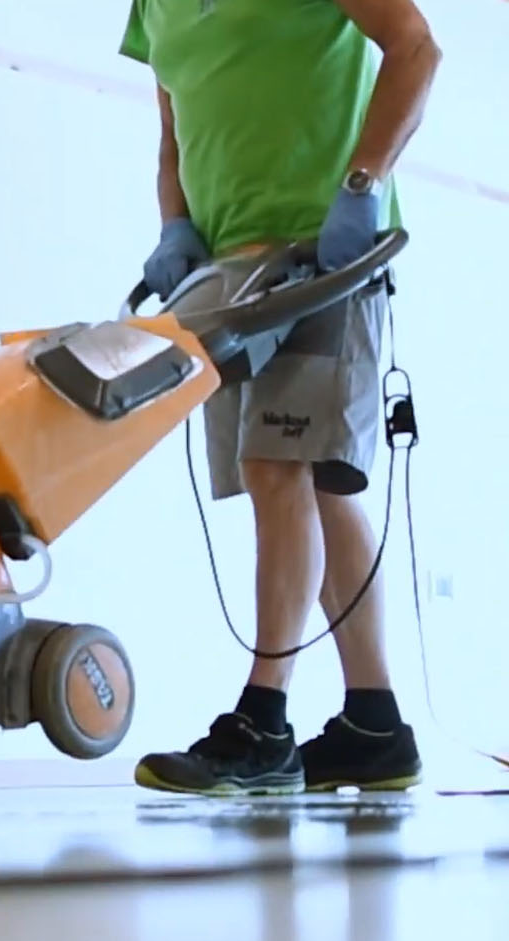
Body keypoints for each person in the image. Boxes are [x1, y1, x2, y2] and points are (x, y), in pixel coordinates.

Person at [119, 0, 441, 795]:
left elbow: (415, 48)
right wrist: (173, 224)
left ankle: (263, 720)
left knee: (278, 466)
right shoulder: (151, 5)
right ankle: (375, 724)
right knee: (314, 486)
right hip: (224, 278)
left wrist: (363, 185)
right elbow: (173, 133)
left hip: (322, 257)